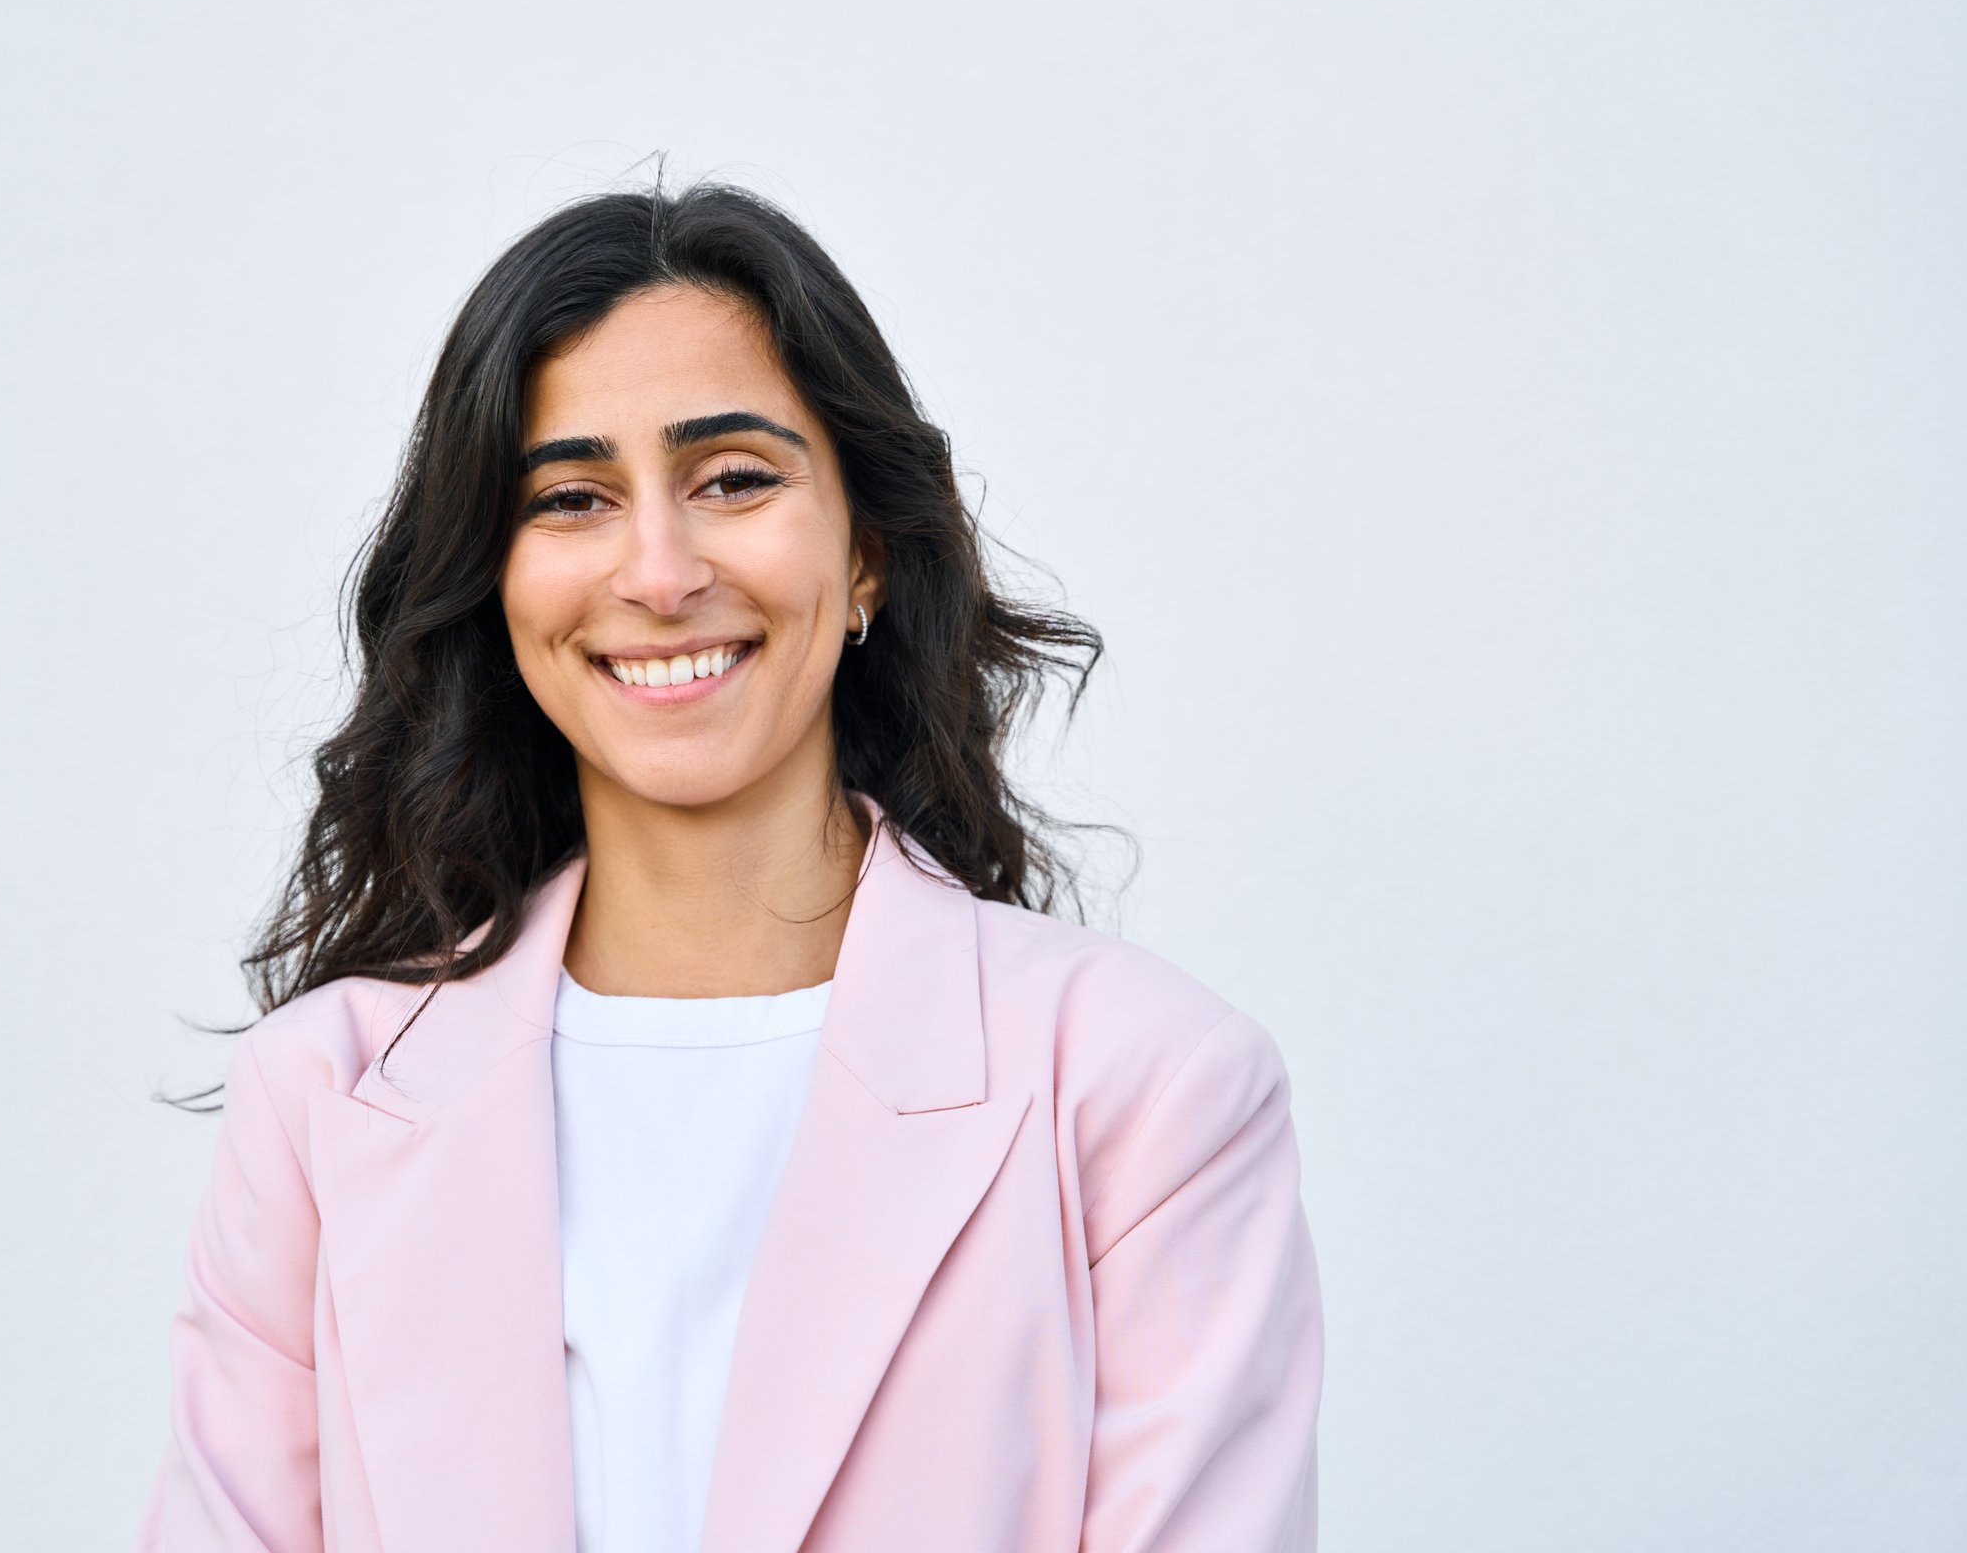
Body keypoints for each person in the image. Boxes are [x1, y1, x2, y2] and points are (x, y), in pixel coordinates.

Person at [135, 176, 1324, 1553]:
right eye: (572, 497)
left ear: (869, 549)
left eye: (735, 480)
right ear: (496, 581)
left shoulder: (1149, 1088)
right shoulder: (324, 1097)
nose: (658, 569)